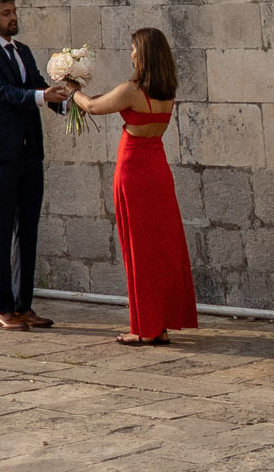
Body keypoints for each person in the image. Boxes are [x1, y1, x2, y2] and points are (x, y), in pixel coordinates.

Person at [72, 27, 199, 345]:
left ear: (143, 54)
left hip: (133, 171)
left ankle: (144, 328)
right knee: (161, 250)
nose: (130, 54)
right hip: (158, 169)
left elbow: (92, 107)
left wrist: (71, 87)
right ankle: (161, 324)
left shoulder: (133, 89)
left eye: (133, 49)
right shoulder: (166, 89)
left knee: (138, 251)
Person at [0, 0, 74, 332]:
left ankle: (23, 305)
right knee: (2, 229)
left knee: (28, 229)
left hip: (29, 151)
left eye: (14, 11)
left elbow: (40, 88)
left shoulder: (24, 51)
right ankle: (1, 307)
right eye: (6, 13)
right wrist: (42, 96)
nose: (13, 18)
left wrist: (71, 101)